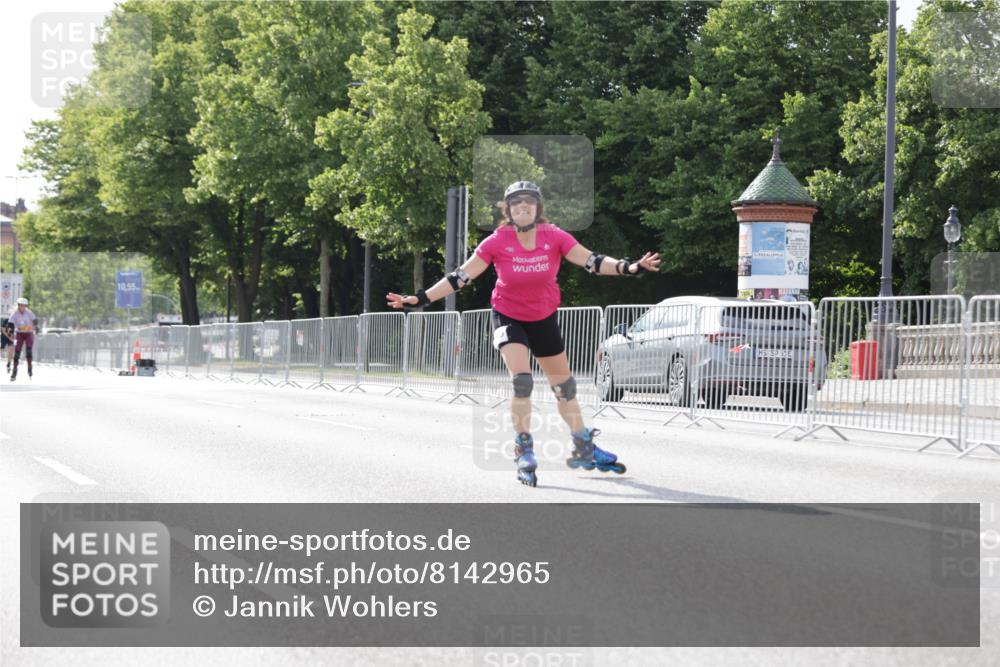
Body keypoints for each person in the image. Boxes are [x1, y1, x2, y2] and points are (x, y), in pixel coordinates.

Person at [387, 181, 661, 486]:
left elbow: (592, 261)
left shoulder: (554, 235)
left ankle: (584, 444)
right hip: (507, 315)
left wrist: (630, 267)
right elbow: (460, 276)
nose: (522, 207)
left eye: (529, 202)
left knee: (564, 388)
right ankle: (523, 446)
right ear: (507, 211)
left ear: (537, 208)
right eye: (516, 204)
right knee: (522, 380)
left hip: (543, 317)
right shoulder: (496, 241)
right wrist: (419, 299)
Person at [8, 297, 37, 381]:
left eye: (24, 306)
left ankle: (29, 367)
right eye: (21, 306)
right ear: (18, 305)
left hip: (28, 334)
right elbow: (10, 323)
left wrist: (36, 326)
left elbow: (35, 320)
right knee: (17, 354)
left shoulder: (28, 312)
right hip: (19, 334)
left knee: (28, 351)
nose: (23, 307)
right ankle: (14, 371)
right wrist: (10, 331)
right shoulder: (15, 313)